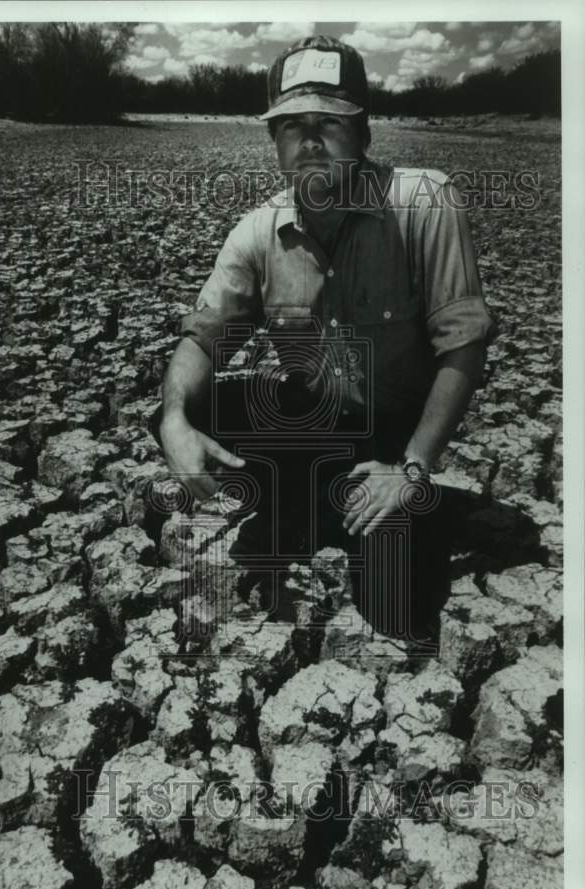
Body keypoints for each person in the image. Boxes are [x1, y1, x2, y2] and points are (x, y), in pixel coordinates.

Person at [154, 35, 496, 644]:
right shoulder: (258, 232)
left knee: (395, 609)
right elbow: (203, 338)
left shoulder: (424, 203)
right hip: (310, 419)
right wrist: (176, 421)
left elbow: (462, 348)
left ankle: (399, 505)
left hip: (393, 442)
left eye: (329, 123)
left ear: (363, 133)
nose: (310, 141)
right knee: (183, 406)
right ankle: (308, 494)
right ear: (275, 141)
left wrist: (411, 467)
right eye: (292, 125)